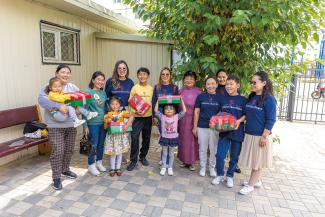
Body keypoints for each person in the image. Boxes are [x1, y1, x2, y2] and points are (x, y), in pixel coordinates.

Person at [38, 64, 79, 190]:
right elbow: (42, 100)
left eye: (68, 72)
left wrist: (78, 109)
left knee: (69, 149)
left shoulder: (72, 87)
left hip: (70, 125)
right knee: (58, 150)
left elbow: (80, 99)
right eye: (63, 72)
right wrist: (58, 106)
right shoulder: (48, 86)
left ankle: (65, 169)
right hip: (55, 125)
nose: (66, 75)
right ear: (57, 73)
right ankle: (56, 177)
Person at [238, 71, 276, 195]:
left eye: (255, 82)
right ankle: (257, 181)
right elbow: (247, 113)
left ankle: (250, 185)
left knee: (257, 163)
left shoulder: (269, 99)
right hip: (250, 134)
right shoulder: (253, 97)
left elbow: (271, 119)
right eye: (251, 82)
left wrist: (264, 136)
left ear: (264, 83)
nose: (252, 84)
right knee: (256, 160)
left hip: (260, 136)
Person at [212, 75, 247, 188]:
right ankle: (220, 174)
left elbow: (246, 115)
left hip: (237, 131)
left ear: (238, 85)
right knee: (220, 155)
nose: (228, 86)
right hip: (224, 132)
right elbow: (218, 114)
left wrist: (239, 121)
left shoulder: (243, 100)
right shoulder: (222, 99)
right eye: (227, 84)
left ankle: (230, 176)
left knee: (234, 156)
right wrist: (217, 122)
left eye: (231, 84)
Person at [105, 60, 134, 165]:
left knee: (125, 135)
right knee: (115, 134)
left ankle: (122, 156)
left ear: (127, 70)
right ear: (116, 69)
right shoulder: (111, 81)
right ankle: (113, 154)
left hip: (125, 111)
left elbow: (132, 98)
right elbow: (106, 97)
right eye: (119, 68)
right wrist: (110, 112)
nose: (122, 70)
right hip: (113, 112)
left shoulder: (130, 82)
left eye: (124, 68)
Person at [193, 76, 222, 177]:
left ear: (217, 85)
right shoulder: (201, 96)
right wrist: (195, 126)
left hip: (215, 128)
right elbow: (196, 112)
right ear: (205, 86)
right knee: (202, 148)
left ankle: (212, 168)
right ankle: (202, 168)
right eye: (208, 84)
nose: (211, 86)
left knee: (213, 149)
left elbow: (222, 112)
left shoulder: (220, 97)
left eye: (213, 83)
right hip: (202, 126)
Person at [127, 67, 153, 171]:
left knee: (146, 138)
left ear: (148, 76)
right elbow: (131, 101)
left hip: (148, 117)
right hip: (137, 117)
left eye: (145, 74)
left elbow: (154, 101)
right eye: (140, 74)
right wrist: (135, 111)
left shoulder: (151, 88)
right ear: (138, 76)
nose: (142, 76)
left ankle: (143, 157)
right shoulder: (135, 88)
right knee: (134, 138)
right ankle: (133, 160)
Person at [152, 67, 179, 167]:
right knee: (163, 136)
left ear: (170, 76)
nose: (165, 76)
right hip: (160, 116)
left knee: (169, 136)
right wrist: (154, 116)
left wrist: (176, 117)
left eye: (167, 74)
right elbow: (154, 101)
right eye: (163, 74)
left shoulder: (174, 87)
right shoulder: (157, 87)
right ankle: (163, 158)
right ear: (160, 75)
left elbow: (177, 103)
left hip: (171, 117)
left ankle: (167, 160)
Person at [83, 71, 108, 176]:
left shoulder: (103, 93)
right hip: (92, 124)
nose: (100, 82)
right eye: (98, 79)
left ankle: (99, 162)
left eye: (102, 80)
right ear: (93, 80)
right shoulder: (88, 93)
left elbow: (105, 107)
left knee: (101, 144)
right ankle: (91, 164)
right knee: (93, 145)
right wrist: (85, 126)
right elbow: (84, 110)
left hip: (104, 123)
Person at [154, 98, 187, 176]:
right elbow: (155, 110)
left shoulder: (176, 117)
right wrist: (157, 100)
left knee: (171, 154)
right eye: (166, 109)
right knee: (164, 153)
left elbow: (184, 111)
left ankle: (170, 167)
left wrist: (181, 100)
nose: (168, 110)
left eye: (171, 109)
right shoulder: (162, 116)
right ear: (164, 111)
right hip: (165, 138)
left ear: (175, 111)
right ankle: (164, 167)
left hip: (173, 138)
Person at [177, 71, 201, 171]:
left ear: (195, 81)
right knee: (182, 140)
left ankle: (192, 162)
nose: (189, 80)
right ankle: (183, 160)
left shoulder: (199, 92)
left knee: (192, 141)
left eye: (191, 79)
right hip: (182, 119)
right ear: (184, 80)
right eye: (187, 78)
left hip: (193, 119)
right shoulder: (180, 91)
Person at [104, 96, 133, 176]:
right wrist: (107, 122)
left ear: (119, 104)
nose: (114, 106)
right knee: (112, 153)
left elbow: (131, 116)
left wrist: (127, 125)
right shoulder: (107, 115)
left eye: (116, 104)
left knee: (120, 153)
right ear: (109, 105)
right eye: (112, 104)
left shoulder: (123, 113)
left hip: (120, 136)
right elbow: (105, 127)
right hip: (112, 137)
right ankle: (113, 169)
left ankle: (118, 168)